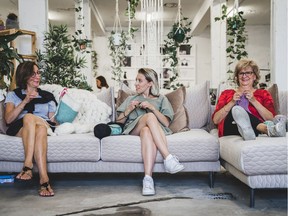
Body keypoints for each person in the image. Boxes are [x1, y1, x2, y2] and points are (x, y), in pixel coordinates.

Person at [116, 68, 184, 196]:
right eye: (136, 80)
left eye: (139, 80)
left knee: (147, 130)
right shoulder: (131, 99)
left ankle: (148, 179)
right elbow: (118, 121)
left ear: (150, 83)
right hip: (133, 129)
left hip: (152, 130)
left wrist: (152, 108)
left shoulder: (161, 99)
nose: (136, 83)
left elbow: (166, 123)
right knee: (150, 117)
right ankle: (168, 158)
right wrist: (129, 109)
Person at [4, 61, 57, 197]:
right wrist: (25, 101)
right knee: (37, 127)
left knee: (30, 118)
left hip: (44, 123)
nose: (37, 76)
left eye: (38, 73)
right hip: (22, 128)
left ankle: (27, 165)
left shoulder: (47, 96)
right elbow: (8, 120)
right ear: (24, 76)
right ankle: (44, 180)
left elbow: (53, 121)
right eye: (33, 74)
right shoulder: (13, 95)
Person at [212, 59, 286, 140]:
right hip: (230, 126)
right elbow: (216, 120)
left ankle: (248, 132)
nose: (244, 76)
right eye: (241, 73)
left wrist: (254, 101)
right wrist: (232, 102)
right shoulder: (227, 93)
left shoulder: (263, 94)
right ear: (237, 77)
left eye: (248, 73)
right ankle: (267, 129)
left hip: (254, 130)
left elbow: (270, 118)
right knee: (236, 110)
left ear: (254, 76)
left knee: (244, 119)